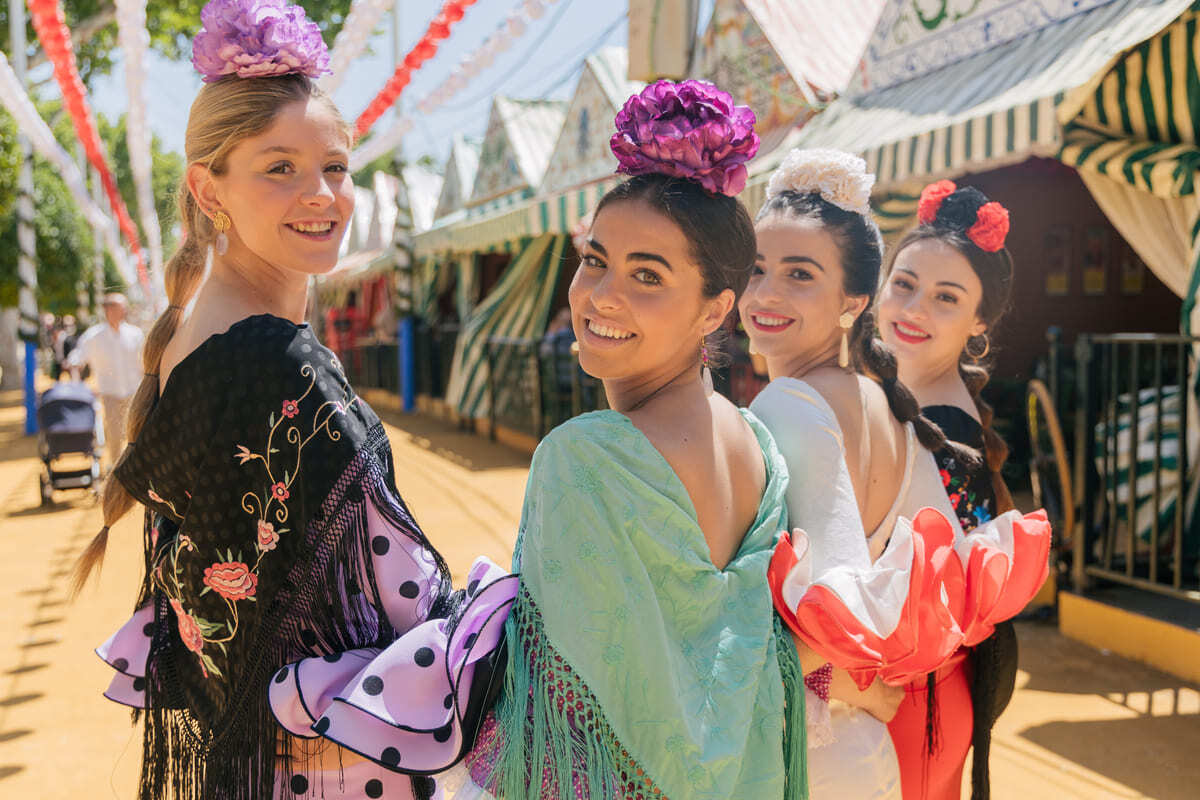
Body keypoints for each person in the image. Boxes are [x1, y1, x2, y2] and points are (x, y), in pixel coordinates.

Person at [77, 3, 511, 798]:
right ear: (210, 192)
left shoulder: (195, 340)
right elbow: (406, 596)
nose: (323, 194)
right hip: (329, 760)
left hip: (251, 750)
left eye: (336, 167)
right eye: (280, 168)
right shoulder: (279, 364)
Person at [451, 80, 807, 800]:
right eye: (594, 259)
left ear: (715, 310)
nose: (601, 295)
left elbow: (555, 713)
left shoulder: (587, 456)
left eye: (647, 275)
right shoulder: (757, 445)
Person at [739, 149, 1051, 800]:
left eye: (799, 274)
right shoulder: (894, 402)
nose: (913, 309)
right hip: (896, 717)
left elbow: (885, 601)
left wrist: (852, 679)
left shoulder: (818, 405)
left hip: (880, 717)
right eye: (905, 285)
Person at [876, 180, 1020, 800]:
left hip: (914, 700)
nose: (913, 309)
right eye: (904, 284)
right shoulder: (909, 400)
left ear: (978, 320)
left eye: (945, 297)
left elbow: (953, 594)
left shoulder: (948, 425)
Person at [68, 293, 145, 463]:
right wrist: (74, 365)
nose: (123, 311)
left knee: (139, 433)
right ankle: (116, 470)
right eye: (118, 307)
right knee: (114, 435)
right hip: (110, 394)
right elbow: (78, 356)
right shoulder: (94, 336)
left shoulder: (135, 334)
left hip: (135, 393)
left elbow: (144, 363)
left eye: (123, 307)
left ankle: (138, 469)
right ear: (108, 310)